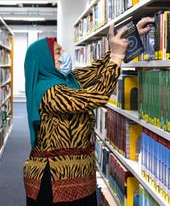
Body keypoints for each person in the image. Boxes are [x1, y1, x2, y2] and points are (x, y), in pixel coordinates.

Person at [24, 17, 154, 206]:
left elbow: (94, 71)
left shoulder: (67, 79)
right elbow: (98, 96)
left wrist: (127, 40)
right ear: (44, 61)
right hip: (54, 182)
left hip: (79, 176)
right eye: (58, 52)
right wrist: (116, 57)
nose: (64, 54)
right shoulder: (50, 91)